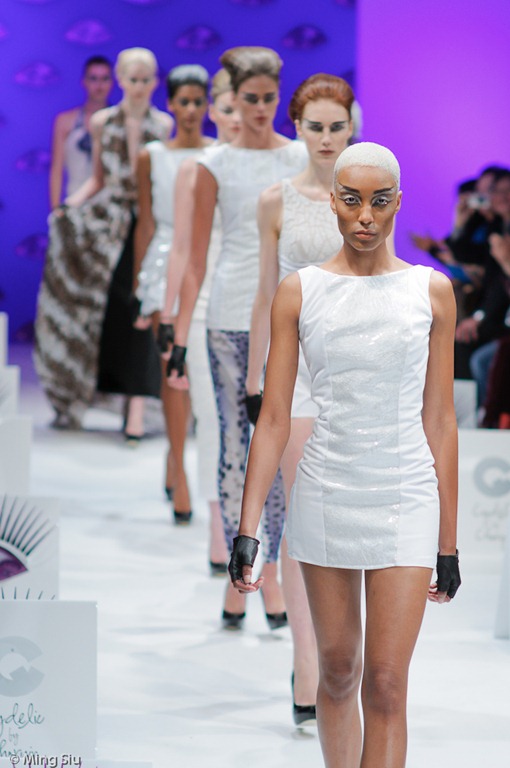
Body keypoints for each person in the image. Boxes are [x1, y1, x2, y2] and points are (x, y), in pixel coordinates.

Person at [230, 143, 460, 768]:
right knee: (336, 671)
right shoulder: (299, 291)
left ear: (398, 203)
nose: (365, 216)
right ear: (331, 201)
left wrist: (448, 541)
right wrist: (248, 530)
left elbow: (441, 420)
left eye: (379, 201)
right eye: (352, 200)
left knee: (385, 684)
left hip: (405, 492)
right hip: (327, 490)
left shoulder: (431, 292)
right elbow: (274, 418)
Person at [167, 46, 308, 629]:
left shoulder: (302, 155)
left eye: (269, 98)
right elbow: (194, 256)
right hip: (227, 316)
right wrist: (179, 335)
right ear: (231, 98)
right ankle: (239, 574)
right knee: (233, 449)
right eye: (249, 98)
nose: (259, 108)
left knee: (283, 451)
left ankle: (272, 574)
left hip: (292, 316)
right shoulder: (214, 165)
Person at [245, 73, 354, 725]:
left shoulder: (367, 195)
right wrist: (256, 378)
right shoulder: (275, 200)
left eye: (337, 126)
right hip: (298, 372)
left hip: (358, 371)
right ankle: (307, 663)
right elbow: (265, 293)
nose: (326, 138)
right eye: (315, 126)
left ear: (352, 126)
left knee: (347, 515)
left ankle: (341, 654)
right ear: (297, 128)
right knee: (303, 510)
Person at [34, 47, 172, 430]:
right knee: (103, 312)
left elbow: (161, 181)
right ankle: (83, 394)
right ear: (120, 80)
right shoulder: (102, 122)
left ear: (154, 82)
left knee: (142, 309)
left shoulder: (163, 124)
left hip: (149, 223)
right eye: (133, 79)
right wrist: (67, 208)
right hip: (107, 226)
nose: (139, 86)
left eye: (146, 79)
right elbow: (98, 178)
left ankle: (136, 408)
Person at [158, 68, 241, 570]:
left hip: (260, 307)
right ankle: (219, 530)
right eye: (227, 108)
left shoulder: (278, 165)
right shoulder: (197, 168)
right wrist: (172, 318)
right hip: (206, 304)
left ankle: (253, 532)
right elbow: (182, 250)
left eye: (245, 106)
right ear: (214, 111)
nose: (237, 118)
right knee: (212, 420)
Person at [130, 63, 211, 509]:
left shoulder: (219, 153)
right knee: (172, 372)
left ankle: (176, 454)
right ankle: (180, 470)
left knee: (198, 370)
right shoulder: (152, 156)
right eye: (184, 101)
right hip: (165, 263)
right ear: (171, 104)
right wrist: (141, 284)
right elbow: (145, 223)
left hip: (207, 262)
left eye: (199, 101)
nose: (192, 110)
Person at [49, 56, 113, 210]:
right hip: (75, 205)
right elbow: (57, 169)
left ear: (112, 83)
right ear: (84, 81)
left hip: (111, 208)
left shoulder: (120, 123)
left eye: (104, 79)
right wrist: (56, 210)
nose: (99, 85)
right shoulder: (65, 122)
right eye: (93, 78)